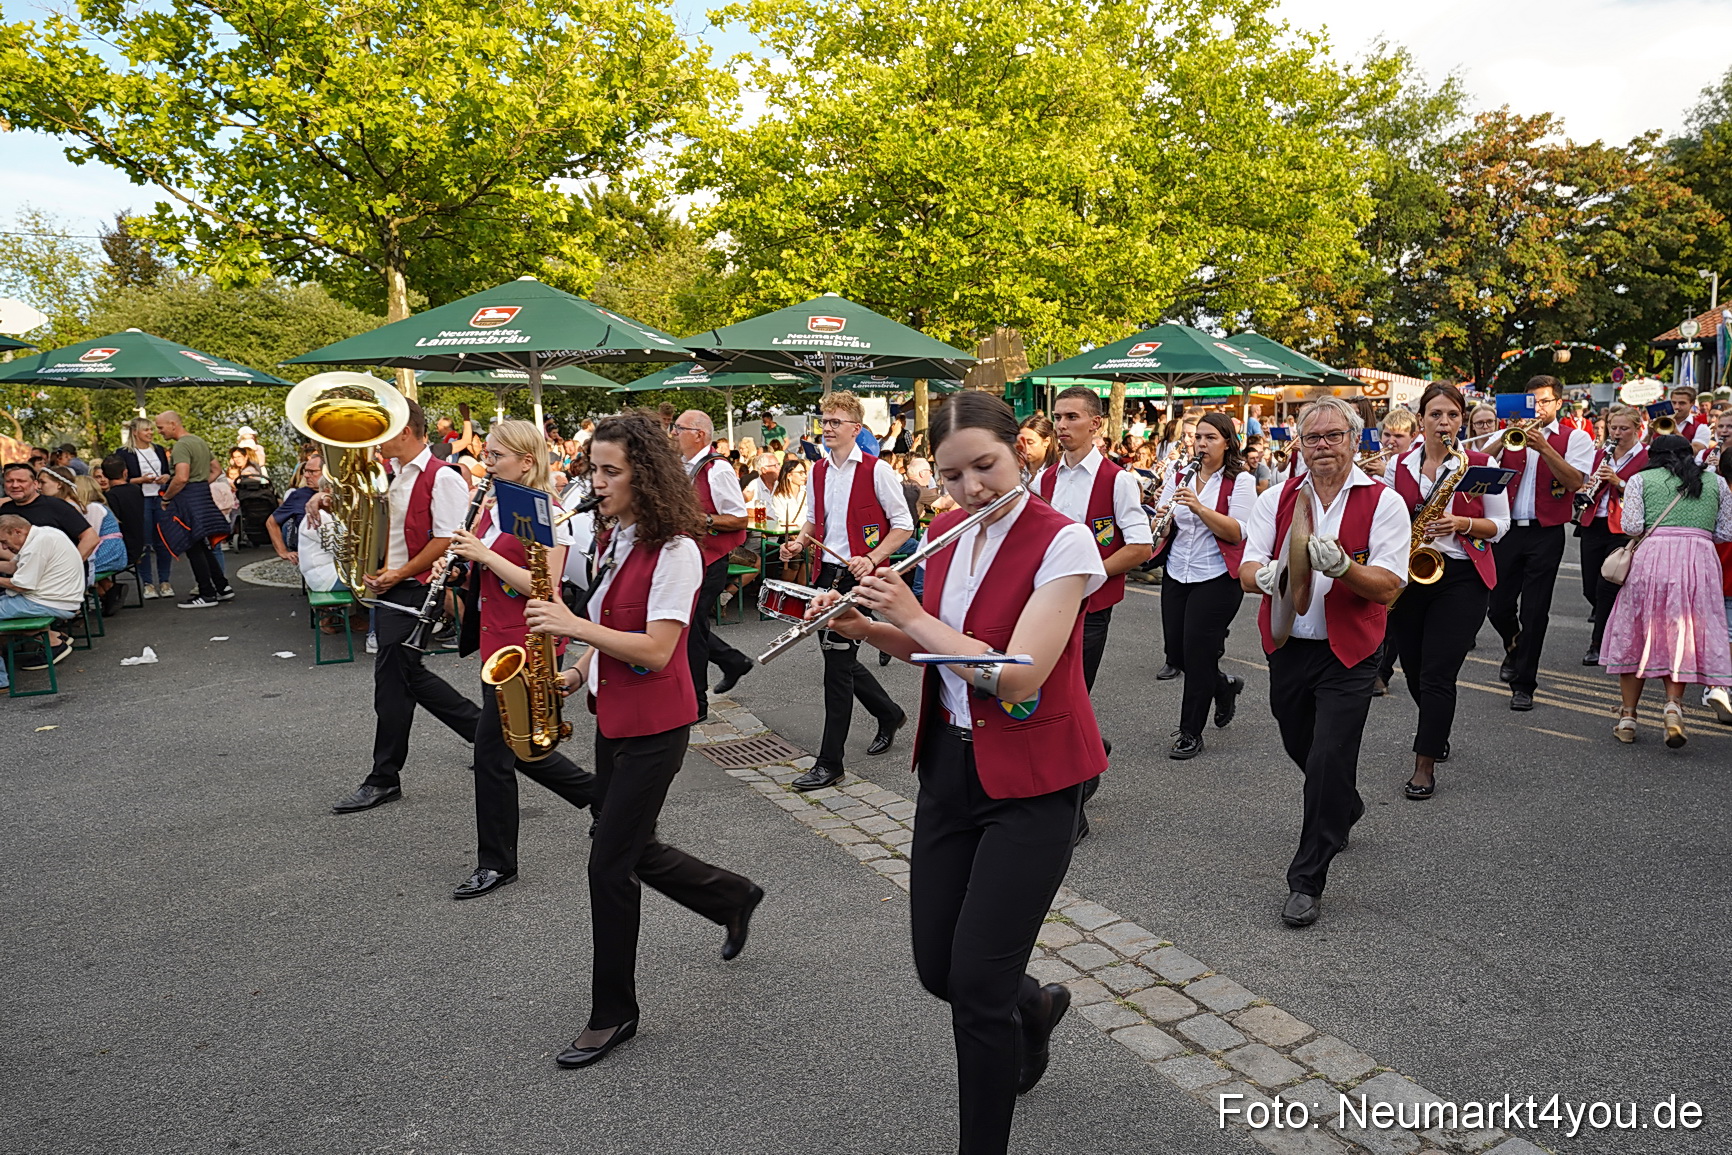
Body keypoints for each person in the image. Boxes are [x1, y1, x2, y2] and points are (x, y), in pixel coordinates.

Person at [807, 391, 1104, 1155]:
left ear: (1021, 452)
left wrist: (904, 611)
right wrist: (866, 624)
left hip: (1034, 781)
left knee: (974, 989)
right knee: (940, 966)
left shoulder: (1064, 541)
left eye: (986, 466)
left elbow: (1016, 676)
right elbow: (938, 653)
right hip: (949, 766)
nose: (972, 488)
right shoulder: (943, 531)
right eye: (951, 474)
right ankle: (1032, 1009)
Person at [518, 413, 762, 1070]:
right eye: (592, 469)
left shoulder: (677, 551)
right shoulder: (616, 539)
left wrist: (570, 625)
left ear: (644, 476)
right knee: (631, 843)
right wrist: (574, 669)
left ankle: (614, 1011)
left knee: (608, 860)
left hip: (659, 724)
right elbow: (606, 626)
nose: (596, 483)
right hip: (615, 714)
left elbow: (657, 649)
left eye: (610, 471)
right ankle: (731, 895)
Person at [1238, 396, 1408, 927]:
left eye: (1334, 436)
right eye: (1313, 438)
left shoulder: (1385, 502)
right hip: (1289, 647)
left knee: (1328, 757)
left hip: (1350, 653)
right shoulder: (1277, 497)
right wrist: (1264, 577)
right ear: (1300, 444)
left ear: (1355, 440)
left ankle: (1306, 879)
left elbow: (1388, 586)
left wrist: (1343, 569)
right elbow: (1247, 566)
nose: (1324, 446)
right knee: (1300, 744)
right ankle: (1345, 806)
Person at [442, 419, 598, 899]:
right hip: (497, 641)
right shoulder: (492, 506)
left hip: (528, 645)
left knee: (492, 755)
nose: (485, 465)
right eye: (486, 456)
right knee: (517, 745)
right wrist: (460, 564)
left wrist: (483, 557)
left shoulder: (545, 511)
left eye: (495, 457)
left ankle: (497, 862)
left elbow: (543, 586)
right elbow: (490, 570)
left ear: (526, 461)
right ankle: (600, 796)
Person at [316, 397, 477, 815]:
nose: (375, 440)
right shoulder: (389, 475)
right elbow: (372, 520)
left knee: (396, 679)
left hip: (413, 588)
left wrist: (399, 573)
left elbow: (448, 540)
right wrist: (329, 502)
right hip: (390, 586)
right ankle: (489, 737)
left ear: (405, 432)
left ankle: (383, 777)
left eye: (383, 431)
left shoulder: (443, 477)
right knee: (404, 678)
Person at [777, 391, 913, 790]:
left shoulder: (876, 471)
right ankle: (888, 713)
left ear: (856, 428)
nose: (828, 427)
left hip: (859, 578)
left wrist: (871, 558)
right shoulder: (817, 470)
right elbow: (814, 523)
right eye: (825, 420)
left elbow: (904, 526)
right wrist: (799, 543)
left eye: (836, 422)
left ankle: (829, 762)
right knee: (840, 655)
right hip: (826, 575)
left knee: (836, 668)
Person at [1383, 383, 1509, 800]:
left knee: (1438, 672)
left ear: (1461, 420)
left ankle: (1424, 764)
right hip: (1410, 573)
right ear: (1421, 419)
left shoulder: (1480, 462)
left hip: (1462, 576)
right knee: (1417, 670)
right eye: (1436, 415)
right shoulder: (1397, 465)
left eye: (1453, 415)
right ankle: (1436, 729)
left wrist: (1461, 523)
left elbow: (1500, 525)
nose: (1444, 423)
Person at [1602, 434, 1732, 747]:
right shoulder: (1716, 483)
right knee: (1683, 631)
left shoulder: (1640, 480)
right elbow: (1726, 530)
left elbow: (1632, 527)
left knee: (1637, 633)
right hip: (1699, 561)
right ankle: (1673, 706)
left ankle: (1628, 717)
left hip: (1652, 560)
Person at [1485, 376, 1593, 710]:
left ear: (1558, 403)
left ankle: (1524, 684)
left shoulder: (1574, 437)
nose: (1537, 408)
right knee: (1497, 605)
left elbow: (1575, 481)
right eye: (1532, 401)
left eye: (1544, 402)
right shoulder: (1507, 433)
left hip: (1545, 532)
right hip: (1506, 531)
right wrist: (1502, 439)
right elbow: (1476, 463)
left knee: (1535, 610)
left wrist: (1544, 446)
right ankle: (1515, 645)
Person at [1154, 412, 1255, 759]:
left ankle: (1189, 733)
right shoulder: (1180, 474)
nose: (1201, 444)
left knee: (1198, 655)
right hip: (1177, 571)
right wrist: (1161, 522)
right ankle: (1224, 686)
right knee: (1179, 654)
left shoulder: (1240, 480)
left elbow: (1238, 531)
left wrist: (1198, 508)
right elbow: (1167, 527)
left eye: (1210, 438)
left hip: (1216, 577)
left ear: (1227, 442)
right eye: (1198, 437)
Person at [672, 410, 754, 717]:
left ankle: (698, 703)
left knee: (691, 627)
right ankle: (733, 661)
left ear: (699, 435)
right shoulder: (682, 465)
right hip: (688, 556)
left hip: (711, 558)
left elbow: (739, 518)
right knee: (690, 624)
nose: (673, 433)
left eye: (678, 428)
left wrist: (702, 519)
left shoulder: (717, 469)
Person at [1575, 406, 1645, 666]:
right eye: (1613, 428)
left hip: (1623, 528)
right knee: (1589, 587)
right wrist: (1585, 487)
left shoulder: (1645, 457)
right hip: (1594, 522)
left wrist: (1619, 482)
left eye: (1624, 429)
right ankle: (1610, 618)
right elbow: (1584, 482)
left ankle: (1597, 643)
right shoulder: (1599, 454)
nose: (1617, 433)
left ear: (1637, 429)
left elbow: (1645, 495)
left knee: (1607, 585)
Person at [154, 411, 234, 609]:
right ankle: (222, 587)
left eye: (161, 427)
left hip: (187, 498)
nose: (159, 432)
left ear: (173, 424)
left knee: (193, 545)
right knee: (203, 544)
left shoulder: (181, 446)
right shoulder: (199, 441)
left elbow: (181, 477)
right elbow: (216, 470)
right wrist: (200, 484)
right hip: (202, 496)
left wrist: (167, 497)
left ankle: (207, 593)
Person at [0, 513, 85, 665]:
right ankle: (52, 637)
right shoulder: (44, 533)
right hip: (60, 598)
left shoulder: (36, 546)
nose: (4, 547)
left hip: (50, 602)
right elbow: (13, 567)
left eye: (4, 541)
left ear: (17, 531)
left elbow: (20, 585)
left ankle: (52, 642)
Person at [118, 417, 175, 598]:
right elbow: (120, 479)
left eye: (151, 429)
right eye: (146, 430)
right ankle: (148, 583)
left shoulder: (158, 449)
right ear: (135, 432)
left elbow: (166, 470)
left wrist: (166, 477)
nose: (150, 433)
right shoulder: (124, 453)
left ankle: (165, 581)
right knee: (143, 541)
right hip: (139, 499)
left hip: (159, 497)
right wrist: (140, 480)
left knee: (163, 540)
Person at [0, 462, 98, 561]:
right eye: (9, 481)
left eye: (21, 481)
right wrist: (17, 562)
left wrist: (69, 565)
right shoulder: (5, 510)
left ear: (35, 484)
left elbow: (90, 537)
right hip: (22, 574)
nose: (15, 485)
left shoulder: (56, 506)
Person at [265, 454, 325, 566]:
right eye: (305, 471)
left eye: (312, 472)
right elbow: (271, 522)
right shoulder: (298, 496)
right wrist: (283, 552)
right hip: (313, 563)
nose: (306, 475)